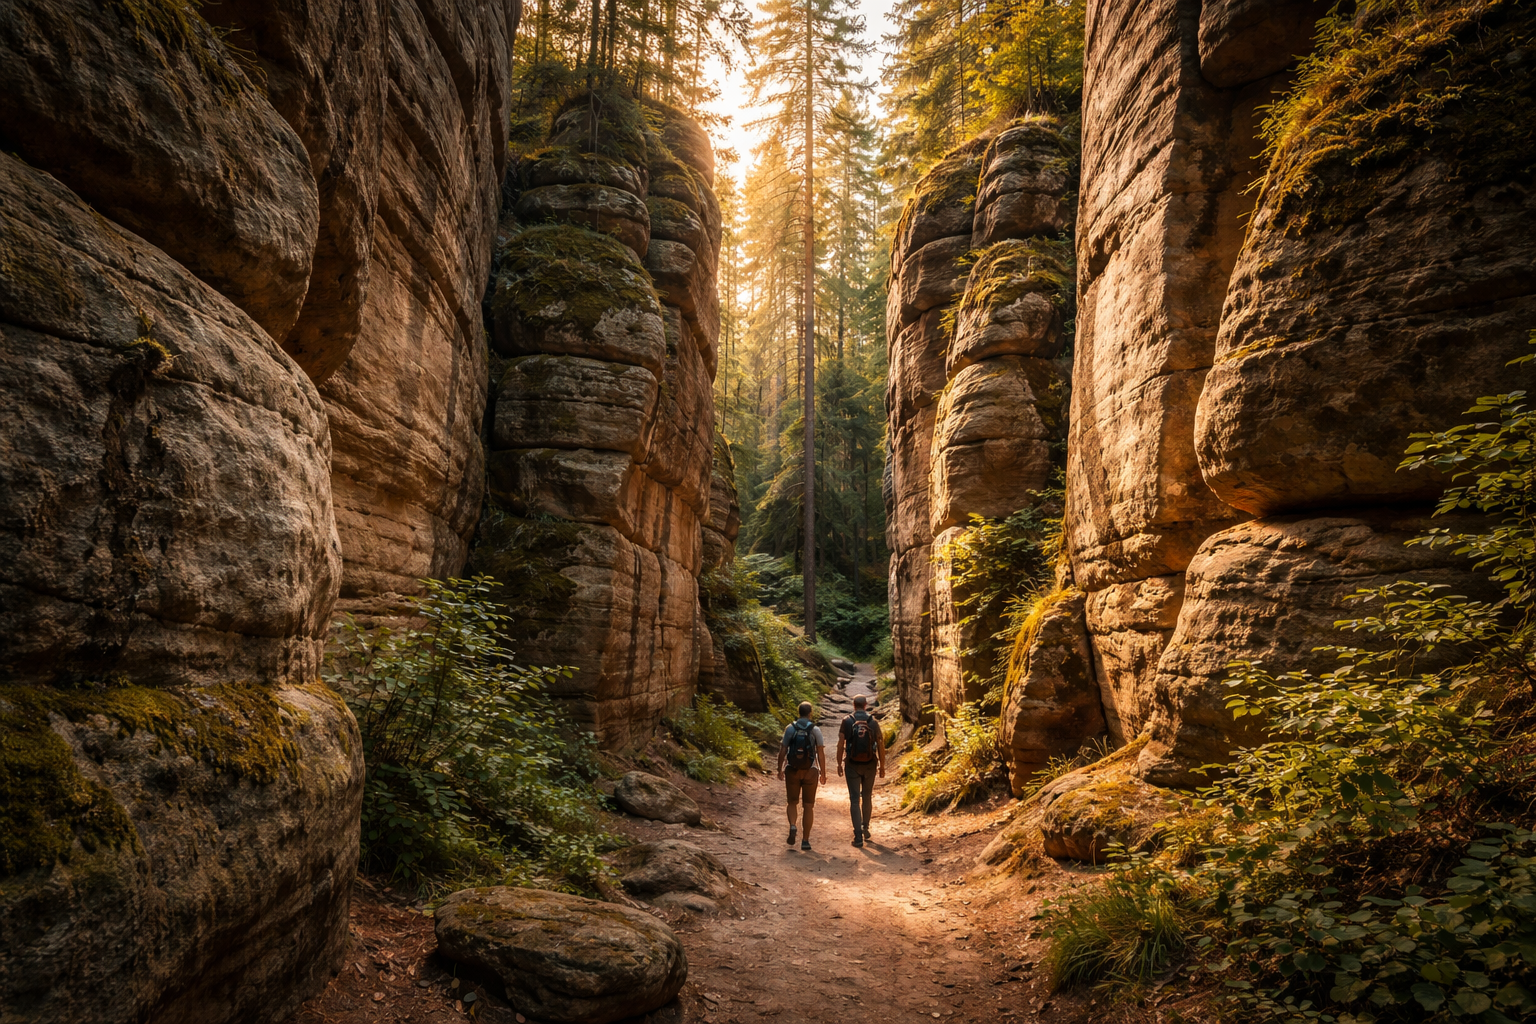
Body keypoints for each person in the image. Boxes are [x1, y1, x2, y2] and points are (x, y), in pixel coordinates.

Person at [835, 695, 886, 847]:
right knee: (868, 796)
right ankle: (865, 827)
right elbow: (881, 744)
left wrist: (839, 763)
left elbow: (840, 744)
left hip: (852, 765)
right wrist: (882, 765)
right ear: (865, 705)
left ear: (853, 705)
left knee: (854, 799)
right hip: (870, 765)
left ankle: (858, 836)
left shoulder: (846, 721)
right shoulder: (873, 722)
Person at [776, 701, 826, 851]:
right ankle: (805, 840)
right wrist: (823, 773)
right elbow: (821, 753)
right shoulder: (815, 730)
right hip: (811, 770)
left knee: (792, 802)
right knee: (808, 806)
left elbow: (783, 749)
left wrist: (779, 769)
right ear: (810, 713)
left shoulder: (790, 729)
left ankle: (792, 825)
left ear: (799, 712)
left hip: (792, 770)